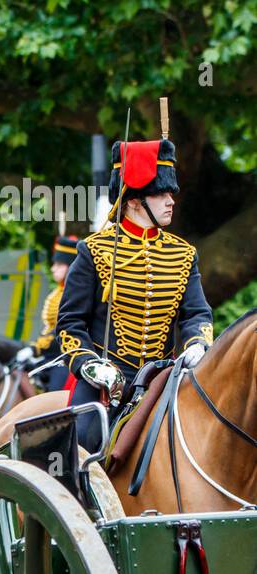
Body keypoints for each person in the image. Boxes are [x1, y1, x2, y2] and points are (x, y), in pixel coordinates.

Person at [57, 136, 213, 452]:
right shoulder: (94, 251)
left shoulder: (183, 254)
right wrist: (91, 366)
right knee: (82, 443)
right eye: (161, 194)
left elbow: (197, 314)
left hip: (164, 378)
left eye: (171, 193)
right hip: (106, 382)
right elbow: (70, 326)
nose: (171, 201)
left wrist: (197, 344)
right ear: (134, 201)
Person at [16, 235, 79, 391]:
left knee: (53, 397)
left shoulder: (75, 293)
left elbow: (61, 328)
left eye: (58, 265)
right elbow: (48, 328)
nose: (52, 269)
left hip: (66, 357)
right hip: (50, 356)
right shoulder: (56, 293)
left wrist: (34, 349)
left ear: (70, 266)